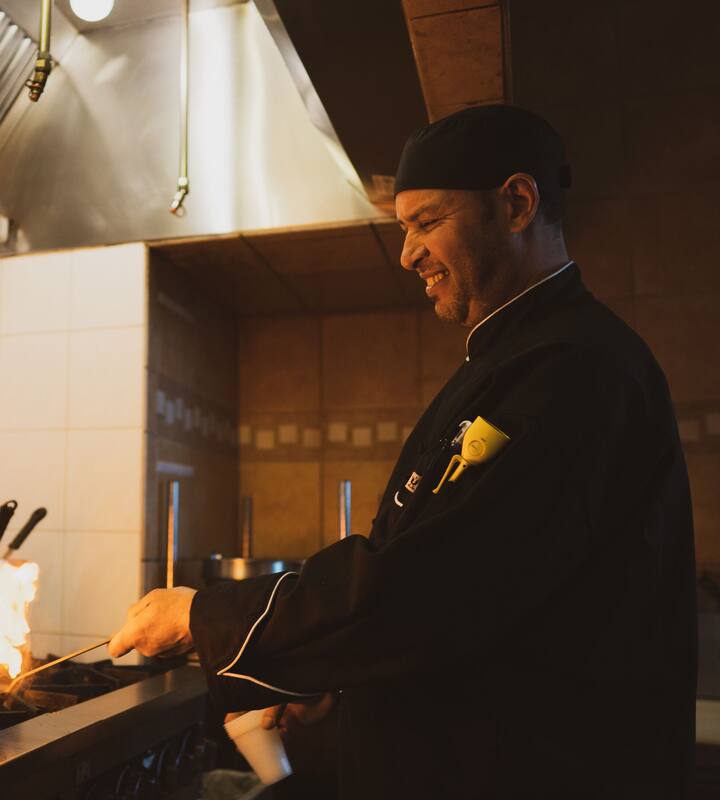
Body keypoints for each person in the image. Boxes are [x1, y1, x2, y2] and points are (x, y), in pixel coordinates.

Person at [109, 105, 697, 798]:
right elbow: (470, 614)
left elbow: (433, 584)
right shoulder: (512, 360)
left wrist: (200, 616)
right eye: (404, 228)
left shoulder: (574, 370)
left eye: (426, 222)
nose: (406, 252)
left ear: (515, 203)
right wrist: (338, 689)